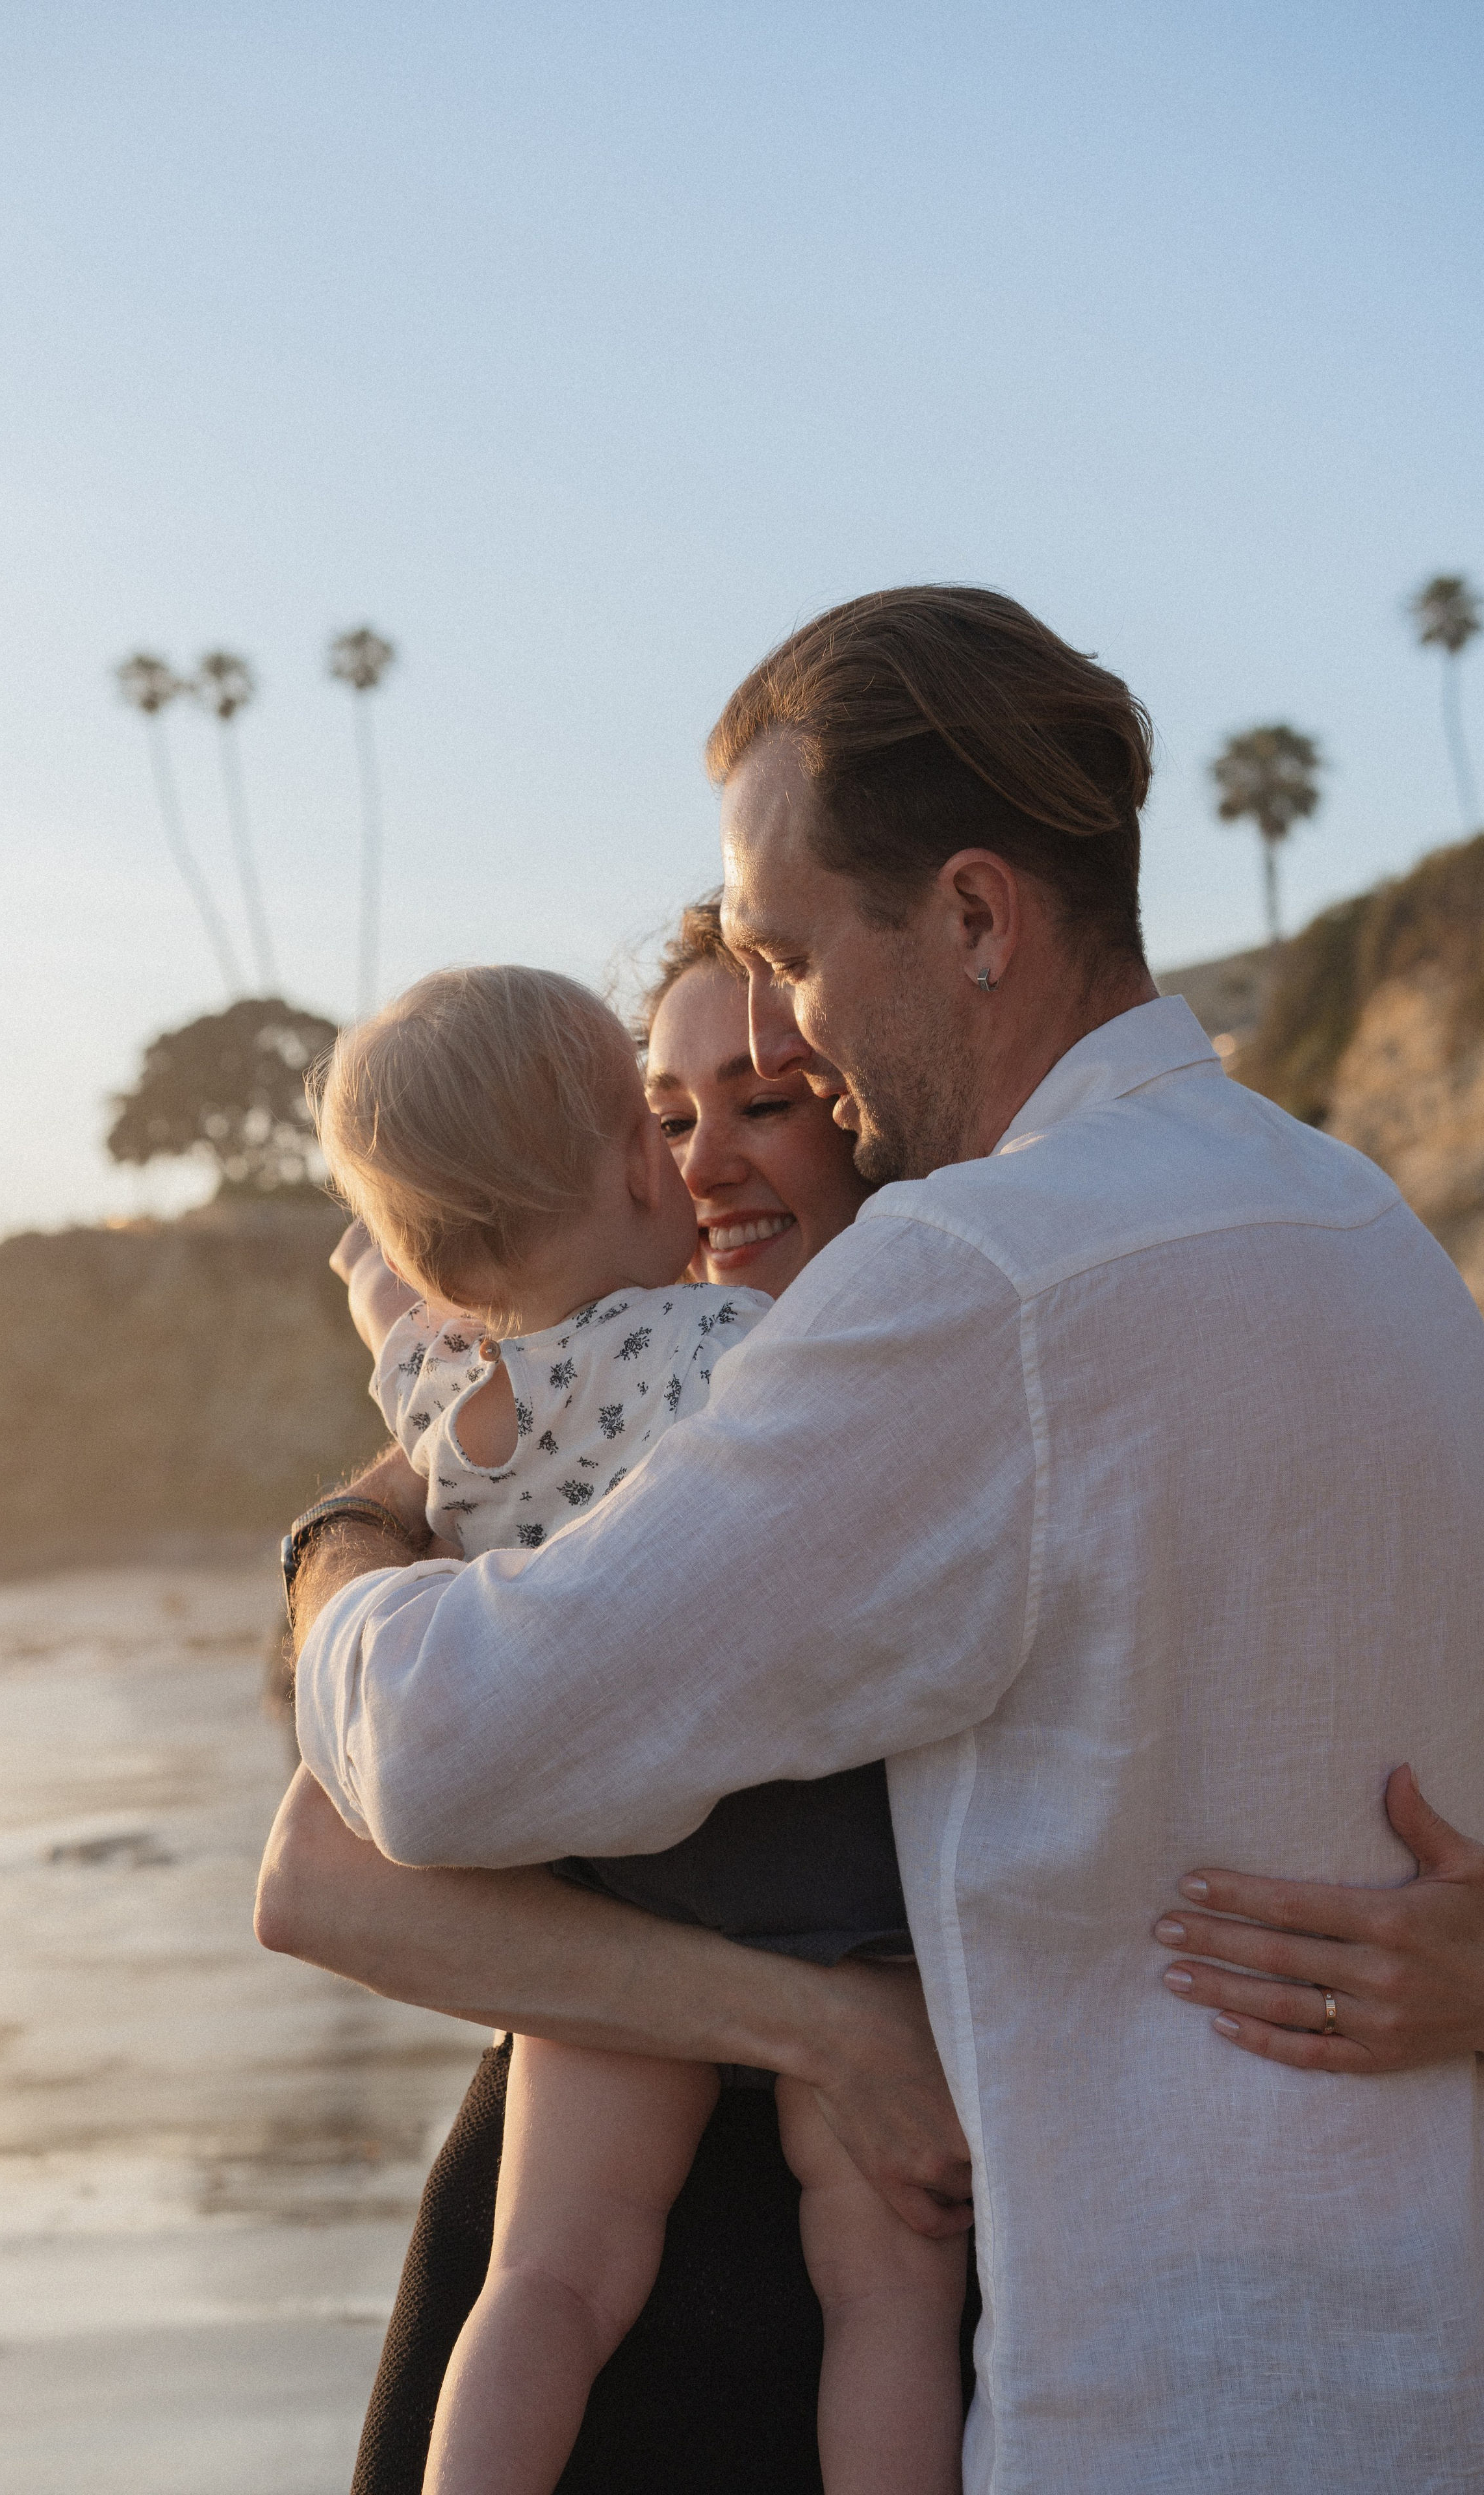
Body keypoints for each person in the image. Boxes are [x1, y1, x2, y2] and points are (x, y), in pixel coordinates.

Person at [281, 585, 1484, 2490]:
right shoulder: (1377, 1246)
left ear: (980, 917)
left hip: (1148, 2411)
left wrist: (341, 1550)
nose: (805, 1043)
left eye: (799, 963)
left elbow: (442, 1751)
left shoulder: (980, 1284)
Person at [311, 960, 964, 2495]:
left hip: (606, 1910)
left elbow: (387, 1302)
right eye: (664, 1116)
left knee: (545, 2286)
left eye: (763, 1101)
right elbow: (307, 1881)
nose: (699, 1159)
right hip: (827, 1927)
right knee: (890, 2297)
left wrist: (373, 1421)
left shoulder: (449, 1403)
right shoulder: (743, 1368)